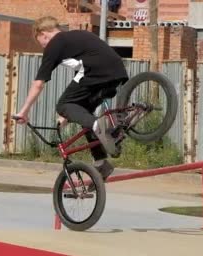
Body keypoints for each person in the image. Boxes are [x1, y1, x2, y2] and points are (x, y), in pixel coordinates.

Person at [14, 16, 129, 181]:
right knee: (85, 115)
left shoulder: (55, 43)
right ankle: (101, 163)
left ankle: (99, 126)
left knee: (62, 104)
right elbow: (80, 81)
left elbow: (38, 84)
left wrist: (23, 112)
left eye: (42, 43)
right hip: (116, 72)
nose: (44, 47)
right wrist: (69, 114)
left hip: (96, 73)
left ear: (44, 34)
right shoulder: (77, 38)